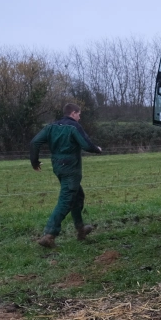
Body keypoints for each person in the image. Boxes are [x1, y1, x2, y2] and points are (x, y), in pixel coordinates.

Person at [30, 103, 102, 248]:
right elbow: (86, 145)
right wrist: (97, 149)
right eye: (79, 114)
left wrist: (34, 161)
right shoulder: (73, 127)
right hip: (71, 168)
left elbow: (35, 142)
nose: (80, 117)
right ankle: (49, 234)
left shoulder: (51, 127)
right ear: (73, 113)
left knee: (77, 196)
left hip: (58, 166)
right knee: (66, 199)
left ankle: (81, 229)